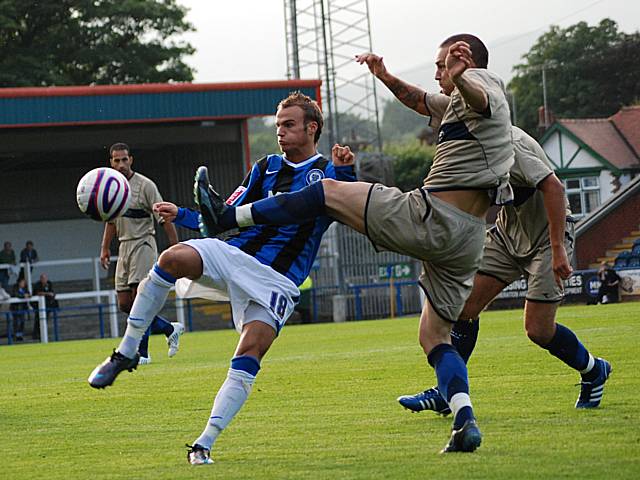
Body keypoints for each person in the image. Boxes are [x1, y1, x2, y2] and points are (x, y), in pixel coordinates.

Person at [194, 34, 515, 453]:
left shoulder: (482, 83)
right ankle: (464, 419)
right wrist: (383, 75)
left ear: (466, 61)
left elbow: (481, 97)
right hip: (467, 240)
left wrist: (463, 75)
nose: (438, 73)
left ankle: (228, 216)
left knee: (326, 191)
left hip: (432, 215)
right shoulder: (455, 105)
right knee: (435, 336)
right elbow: (420, 100)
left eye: (442, 65)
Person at [88, 92, 357, 465]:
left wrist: (346, 172)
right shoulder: (265, 167)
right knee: (171, 258)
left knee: (248, 353)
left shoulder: (328, 172)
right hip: (236, 255)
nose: (280, 131)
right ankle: (126, 352)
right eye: (278, 124)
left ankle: (203, 444)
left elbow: (348, 204)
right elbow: (224, 214)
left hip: (278, 281)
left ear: (312, 128)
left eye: (288, 124)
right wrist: (181, 213)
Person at [397, 127, 612, 415]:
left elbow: (555, 188)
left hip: (548, 236)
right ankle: (447, 392)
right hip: (508, 233)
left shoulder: (510, 144)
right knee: (462, 306)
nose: (438, 79)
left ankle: (593, 369)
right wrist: (386, 78)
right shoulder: (470, 142)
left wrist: (558, 247)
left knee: (538, 330)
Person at [99, 142, 183, 364]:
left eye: (124, 159)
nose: (121, 164)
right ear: (111, 162)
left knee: (140, 299)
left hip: (143, 244)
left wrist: (175, 247)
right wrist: (105, 248)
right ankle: (168, 328)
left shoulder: (145, 186)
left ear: (131, 160)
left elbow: (164, 216)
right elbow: (110, 222)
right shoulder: (110, 187)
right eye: (116, 160)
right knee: (124, 304)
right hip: (124, 246)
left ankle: (142, 353)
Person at [32, 273, 59, 341]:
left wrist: (52, 294)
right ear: (40, 279)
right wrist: (47, 294)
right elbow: (38, 293)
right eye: (43, 278)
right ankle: (36, 334)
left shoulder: (49, 283)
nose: (44, 280)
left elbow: (52, 291)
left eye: (45, 278)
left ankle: (42, 333)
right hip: (38, 305)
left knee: (45, 319)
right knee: (38, 319)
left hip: (47, 304)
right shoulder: (37, 285)